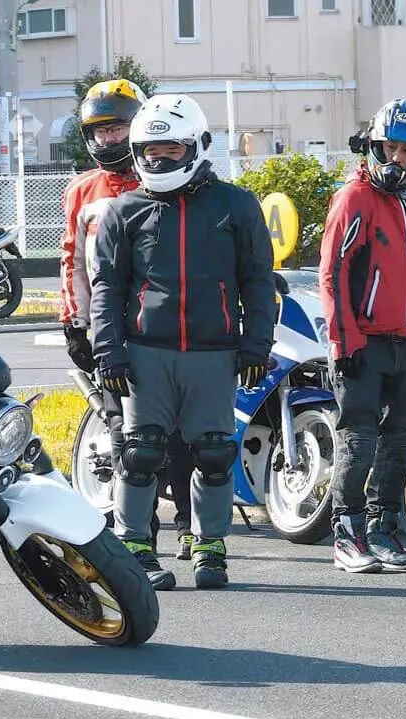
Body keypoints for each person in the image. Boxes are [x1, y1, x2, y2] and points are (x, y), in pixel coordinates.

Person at [91, 95, 276, 590]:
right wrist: (106, 348)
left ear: (197, 145)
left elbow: (259, 279)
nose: (158, 159)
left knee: (214, 452)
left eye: (170, 149)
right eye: (149, 150)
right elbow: (106, 286)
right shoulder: (123, 211)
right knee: (140, 452)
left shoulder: (236, 204)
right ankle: (135, 550)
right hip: (145, 352)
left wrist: (256, 344)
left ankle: (210, 545)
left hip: (215, 351)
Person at [59, 79, 197, 565]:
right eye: (99, 132)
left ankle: (189, 524)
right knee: (126, 434)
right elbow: (71, 262)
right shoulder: (81, 192)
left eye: (118, 129)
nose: (108, 141)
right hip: (107, 330)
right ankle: (136, 535)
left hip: (159, 325)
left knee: (179, 431)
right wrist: (75, 324)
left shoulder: (163, 180)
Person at [318, 98, 406, 573]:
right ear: (373, 144)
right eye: (389, 147)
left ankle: (383, 529)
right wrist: (343, 341)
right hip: (362, 343)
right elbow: (332, 273)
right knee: (359, 439)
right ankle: (346, 534)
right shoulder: (354, 197)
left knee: (398, 443)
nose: (396, 158)